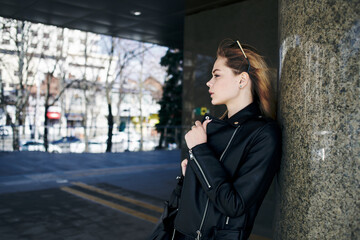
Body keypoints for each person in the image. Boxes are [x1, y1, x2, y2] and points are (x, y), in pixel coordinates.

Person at [153, 39, 282, 240]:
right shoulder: (211, 128)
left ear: (242, 80)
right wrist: (187, 180)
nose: (209, 82)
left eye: (216, 75)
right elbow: (194, 204)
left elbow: (234, 204)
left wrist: (200, 149)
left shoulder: (263, 134)